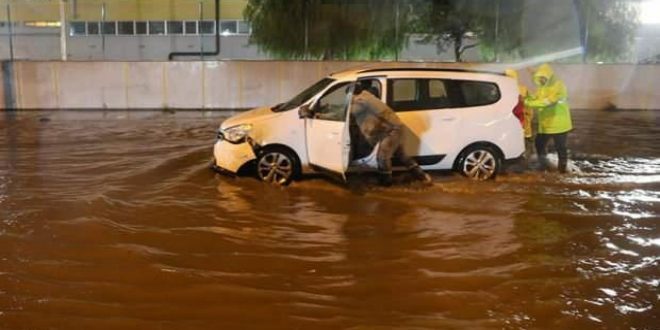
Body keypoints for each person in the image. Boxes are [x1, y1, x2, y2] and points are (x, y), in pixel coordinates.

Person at [350, 82, 432, 186]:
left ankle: (386, 184)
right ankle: (423, 177)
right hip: (392, 128)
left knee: (382, 157)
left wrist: (326, 112)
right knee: (401, 155)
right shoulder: (366, 98)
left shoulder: (361, 100)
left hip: (391, 130)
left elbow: (349, 112)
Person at [524, 63, 573, 173]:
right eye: (539, 78)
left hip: (559, 124)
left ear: (548, 76)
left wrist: (527, 102)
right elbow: (537, 97)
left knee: (560, 147)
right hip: (546, 124)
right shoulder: (542, 86)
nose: (540, 80)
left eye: (542, 78)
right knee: (539, 143)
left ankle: (562, 170)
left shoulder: (558, 86)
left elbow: (546, 102)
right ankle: (544, 164)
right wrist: (527, 96)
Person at [505, 68, 535, 169]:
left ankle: (518, 167)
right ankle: (525, 166)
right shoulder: (523, 89)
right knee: (525, 146)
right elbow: (530, 107)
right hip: (522, 124)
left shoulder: (503, 88)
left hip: (513, 125)